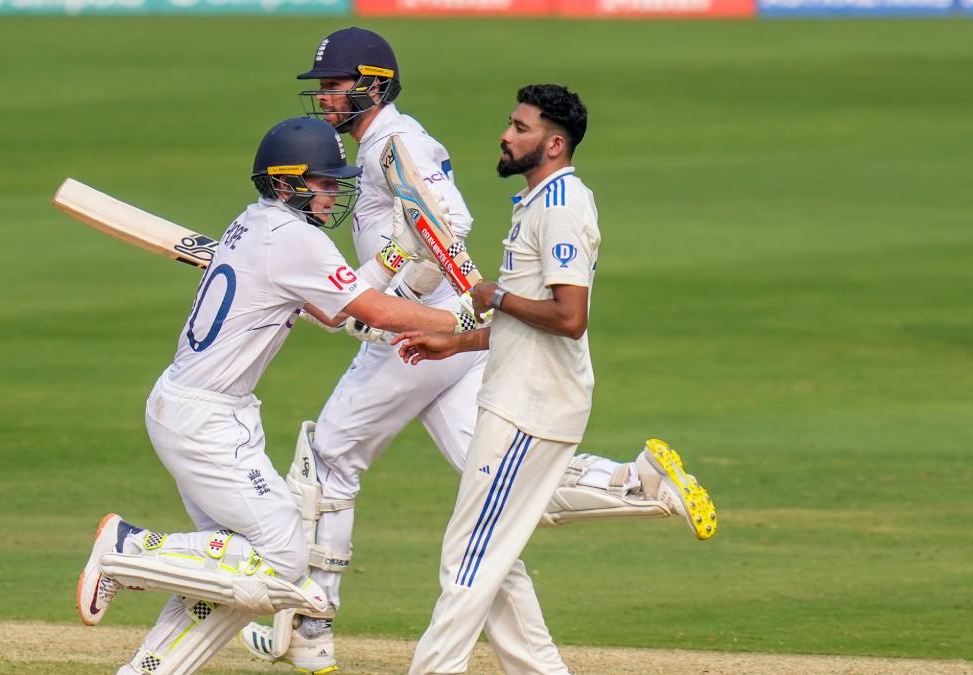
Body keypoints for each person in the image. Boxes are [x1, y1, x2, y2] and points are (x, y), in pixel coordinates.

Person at [242, 30, 710, 675]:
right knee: (495, 513)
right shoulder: (382, 145)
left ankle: (311, 630)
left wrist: (390, 301)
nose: (325, 98)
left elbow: (446, 226)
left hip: (416, 335)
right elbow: (416, 239)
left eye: (335, 85)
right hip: (445, 339)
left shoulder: (395, 144)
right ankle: (632, 483)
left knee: (328, 462)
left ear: (372, 86)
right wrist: (413, 305)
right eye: (321, 87)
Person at [74, 116, 479, 675]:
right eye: (325, 181)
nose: (334, 192)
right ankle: (128, 549)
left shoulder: (256, 226)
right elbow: (371, 313)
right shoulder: (295, 240)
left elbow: (328, 310)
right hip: (207, 420)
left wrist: (392, 257)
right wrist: (460, 317)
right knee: (283, 558)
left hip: (198, 408)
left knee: (232, 578)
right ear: (288, 182)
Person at [393, 84, 718, 675]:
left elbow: (569, 318)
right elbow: (531, 316)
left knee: (470, 557)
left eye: (520, 127)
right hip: (523, 394)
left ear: (554, 142)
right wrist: (459, 340)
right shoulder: (538, 201)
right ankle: (639, 488)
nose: (505, 134)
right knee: (497, 556)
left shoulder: (561, 206)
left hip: (528, 404)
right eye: (510, 123)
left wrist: (494, 296)